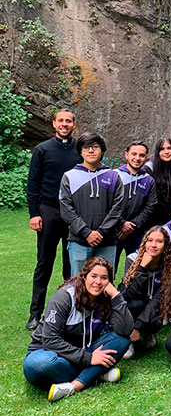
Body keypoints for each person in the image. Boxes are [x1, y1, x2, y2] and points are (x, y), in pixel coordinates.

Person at [23, 257, 133, 402]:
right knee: (38, 364)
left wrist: (116, 296)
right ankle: (96, 374)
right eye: (93, 276)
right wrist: (89, 358)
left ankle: (75, 386)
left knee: (122, 339)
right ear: (84, 276)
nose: (98, 282)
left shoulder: (105, 298)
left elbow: (125, 330)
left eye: (104, 278)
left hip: (82, 351)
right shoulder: (64, 297)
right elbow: (50, 340)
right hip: (50, 353)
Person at [26, 108, 79, 330]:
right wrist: (34, 214)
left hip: (74, 212)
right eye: (61, 121)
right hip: (48, 210)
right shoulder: (42, 149)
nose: (64, 124)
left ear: (74, 124)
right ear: (54, 124)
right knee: (44, 263)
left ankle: (69, 310)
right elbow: (32, 184)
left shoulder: (80, 149)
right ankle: (35, 313)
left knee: (71, 264)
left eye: (68, 121)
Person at [59, 132, 124, 275]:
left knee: (105, 285)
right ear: (80, 151)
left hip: (107, 242)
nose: (90, 150)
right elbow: (66, 209)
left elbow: (117, 208)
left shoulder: (113, 176)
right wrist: (86, 232)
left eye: (95, 146)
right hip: (79, 241)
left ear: (102, 150)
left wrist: (101, 232)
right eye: (86, 147)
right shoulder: (69, 176)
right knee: (78, 283)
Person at [119, 225, 171, 359]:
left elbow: (159, 300)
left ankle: (147, 332)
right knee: (134, 304)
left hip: (154, 307)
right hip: (134, 303)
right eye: (150, 240)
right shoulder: (132, 259)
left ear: (165, 245)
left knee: (159, 315)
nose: (153, 245)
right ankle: (128, 339)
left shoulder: (170, 265)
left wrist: (138, 327)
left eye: (159, 241)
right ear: (144, 242)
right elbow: (130, 293)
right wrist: (141, 268)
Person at [115, 140, 157, 272]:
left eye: (141, 155)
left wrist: (132, 225)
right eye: (134, 154)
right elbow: (107, 204)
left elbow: (150, 207)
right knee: (108, 270)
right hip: (114, 231)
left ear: (146, 158)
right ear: (126, 155)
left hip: (137, 233)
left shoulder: (149, 180)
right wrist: (121, 223)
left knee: (136, 271)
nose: (137, 158)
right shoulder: (114, 175)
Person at [147, 137, 171, 225]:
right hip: (151, 219)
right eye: (162, 149)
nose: (166, 152)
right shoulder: (149, 168)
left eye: (169, 148)